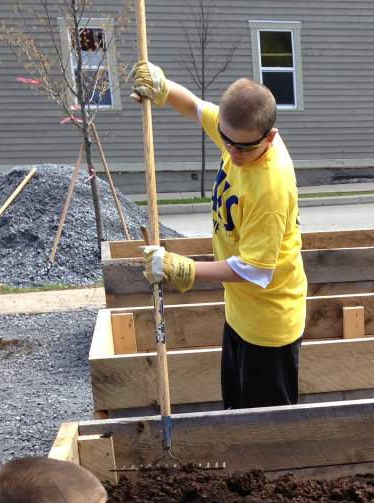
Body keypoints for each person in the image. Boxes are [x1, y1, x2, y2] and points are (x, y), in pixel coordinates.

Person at [131, 61, 307, 410]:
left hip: (270, 325)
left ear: (270, 137)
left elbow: (256, 269)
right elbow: (196, 108)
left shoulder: (270, 187)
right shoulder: (237, 133)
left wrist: (185, 269)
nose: (234, 153)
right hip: (240, 314)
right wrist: (163, 87)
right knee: (234, 414)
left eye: (244, 147)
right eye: (227, 142)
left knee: (265, 428)